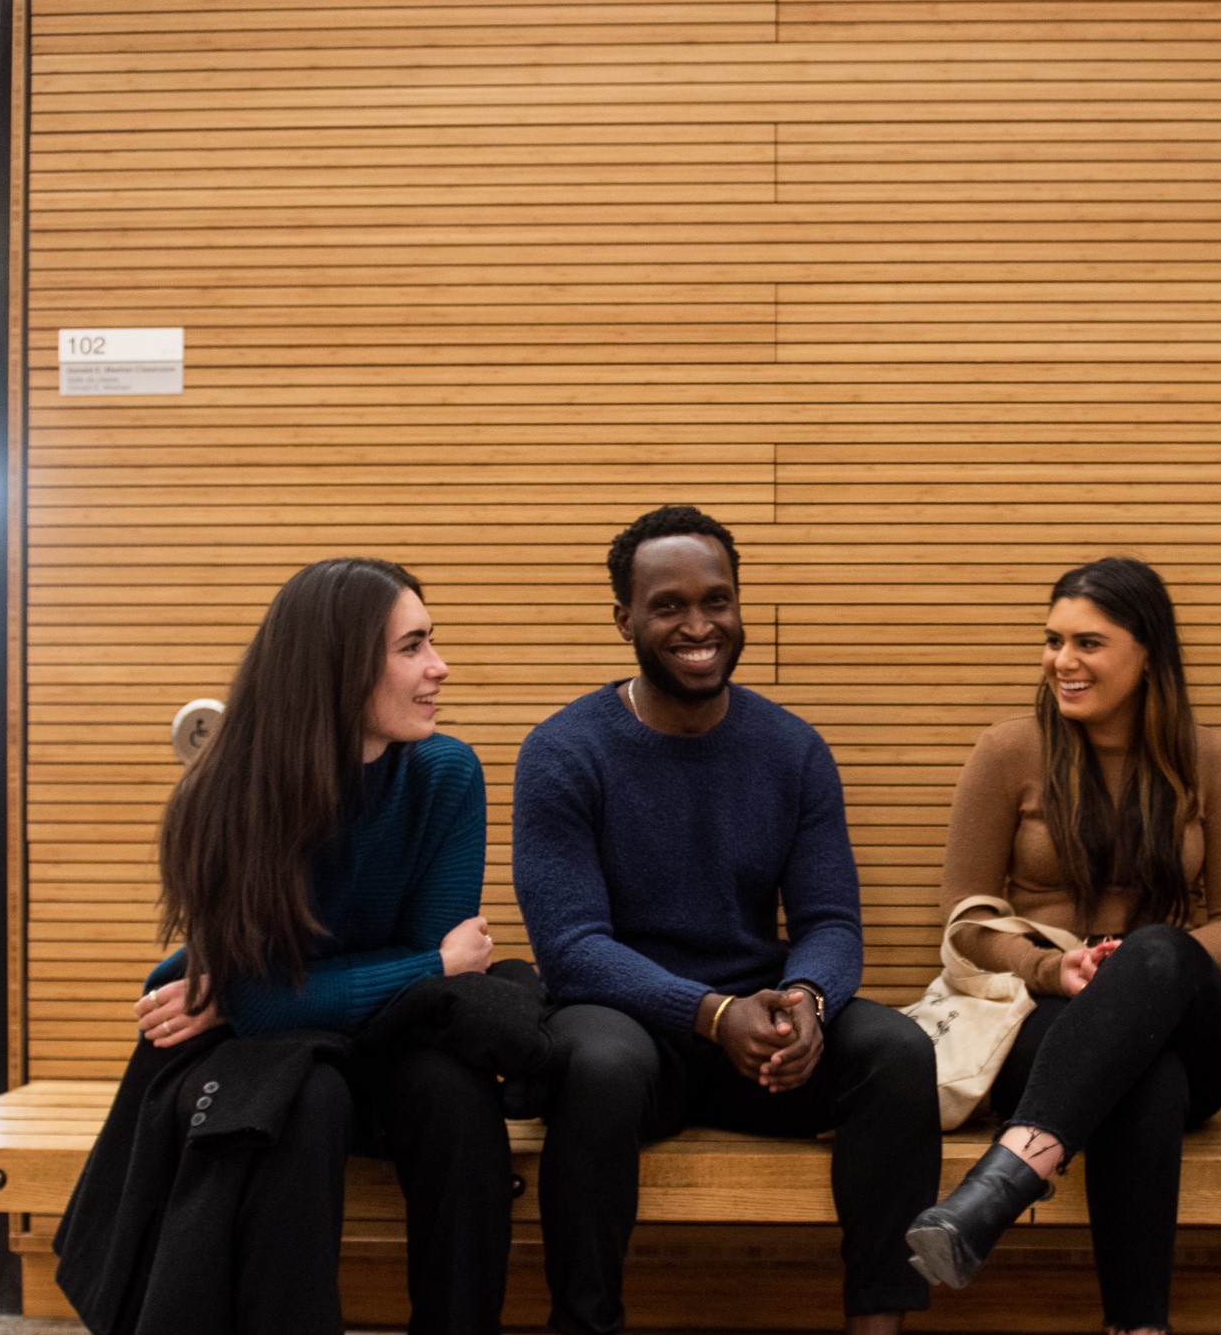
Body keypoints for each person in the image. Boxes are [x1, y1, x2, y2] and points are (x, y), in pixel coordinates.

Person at [511, 505, 939, 1335]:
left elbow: (829, 920)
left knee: (895, 1051)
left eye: (717, 600)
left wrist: (808, 1001)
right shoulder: (564, 751)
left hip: (758, 1035)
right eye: (668, 605)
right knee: (595, 1066)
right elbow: (571, 949)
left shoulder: (792, 750)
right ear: (624, 619)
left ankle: (878, 1324)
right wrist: (707, 1014)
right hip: (629, 1028)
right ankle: (584, 1322)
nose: (698, 625)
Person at [61, 557, 508, 1335]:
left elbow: (413, 1001)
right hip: (264, 1051)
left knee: (456, 1097)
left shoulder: (445, 774)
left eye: (429, 642)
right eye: (410, 648)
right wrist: (430, 964)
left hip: (385, 1035)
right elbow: (269, 1005)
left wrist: (280, 993)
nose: (439, 668)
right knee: (304, 1092)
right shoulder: (227, 795)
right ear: (337, 665)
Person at [903, 558, 1221, 1333]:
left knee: (1155, 952)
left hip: (1190, 1016)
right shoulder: (1008, 753)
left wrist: (1140, 969)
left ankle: (1001, 1182)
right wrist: (1048, 966)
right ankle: (1136, 1327)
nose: (1061, 662)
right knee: (1145, 1082)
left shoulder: (1215, 762)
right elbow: (962, 917)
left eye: (1088, 643)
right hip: (1045, 1025)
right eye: (1052, 640)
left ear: (1147, 653)